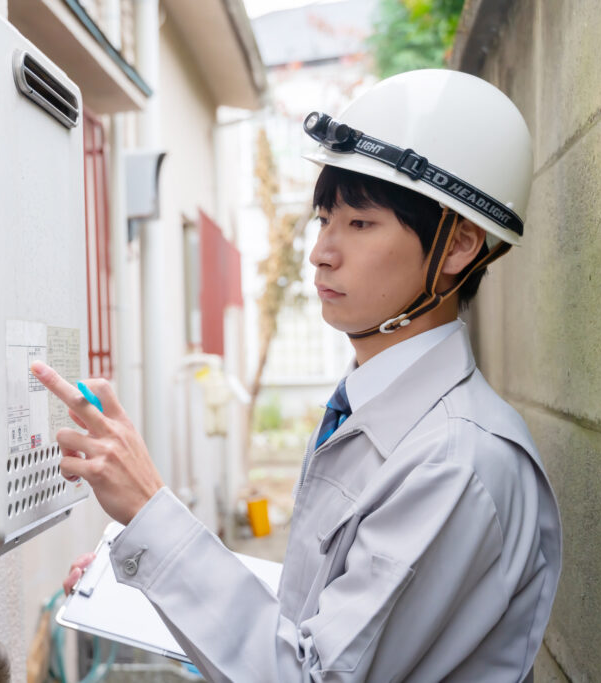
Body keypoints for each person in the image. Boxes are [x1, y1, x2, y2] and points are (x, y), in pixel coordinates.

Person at [30, 69, 561, 682]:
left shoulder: (455, 462)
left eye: (360, 224)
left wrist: (153, 513)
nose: (321, 252)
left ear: (458, 245)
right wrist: (154, 584)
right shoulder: (372, 410)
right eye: (325, 219)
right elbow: (317, 615)